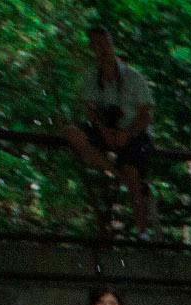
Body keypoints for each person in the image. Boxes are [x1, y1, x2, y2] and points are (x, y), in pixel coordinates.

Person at [61, 27, 154, 231]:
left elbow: (147, 114)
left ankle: (143, 232)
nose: (103, 50)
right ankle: (117, 174)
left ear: (112, 45)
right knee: (72, 133)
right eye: (98, 45)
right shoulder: (91, 78)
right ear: (92, 48)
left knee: (132, 174)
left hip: (134, 134)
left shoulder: (133, 77)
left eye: (106, 44)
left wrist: (128, 134)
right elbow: (91, 111)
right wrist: (104, 130)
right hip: (107, 132)